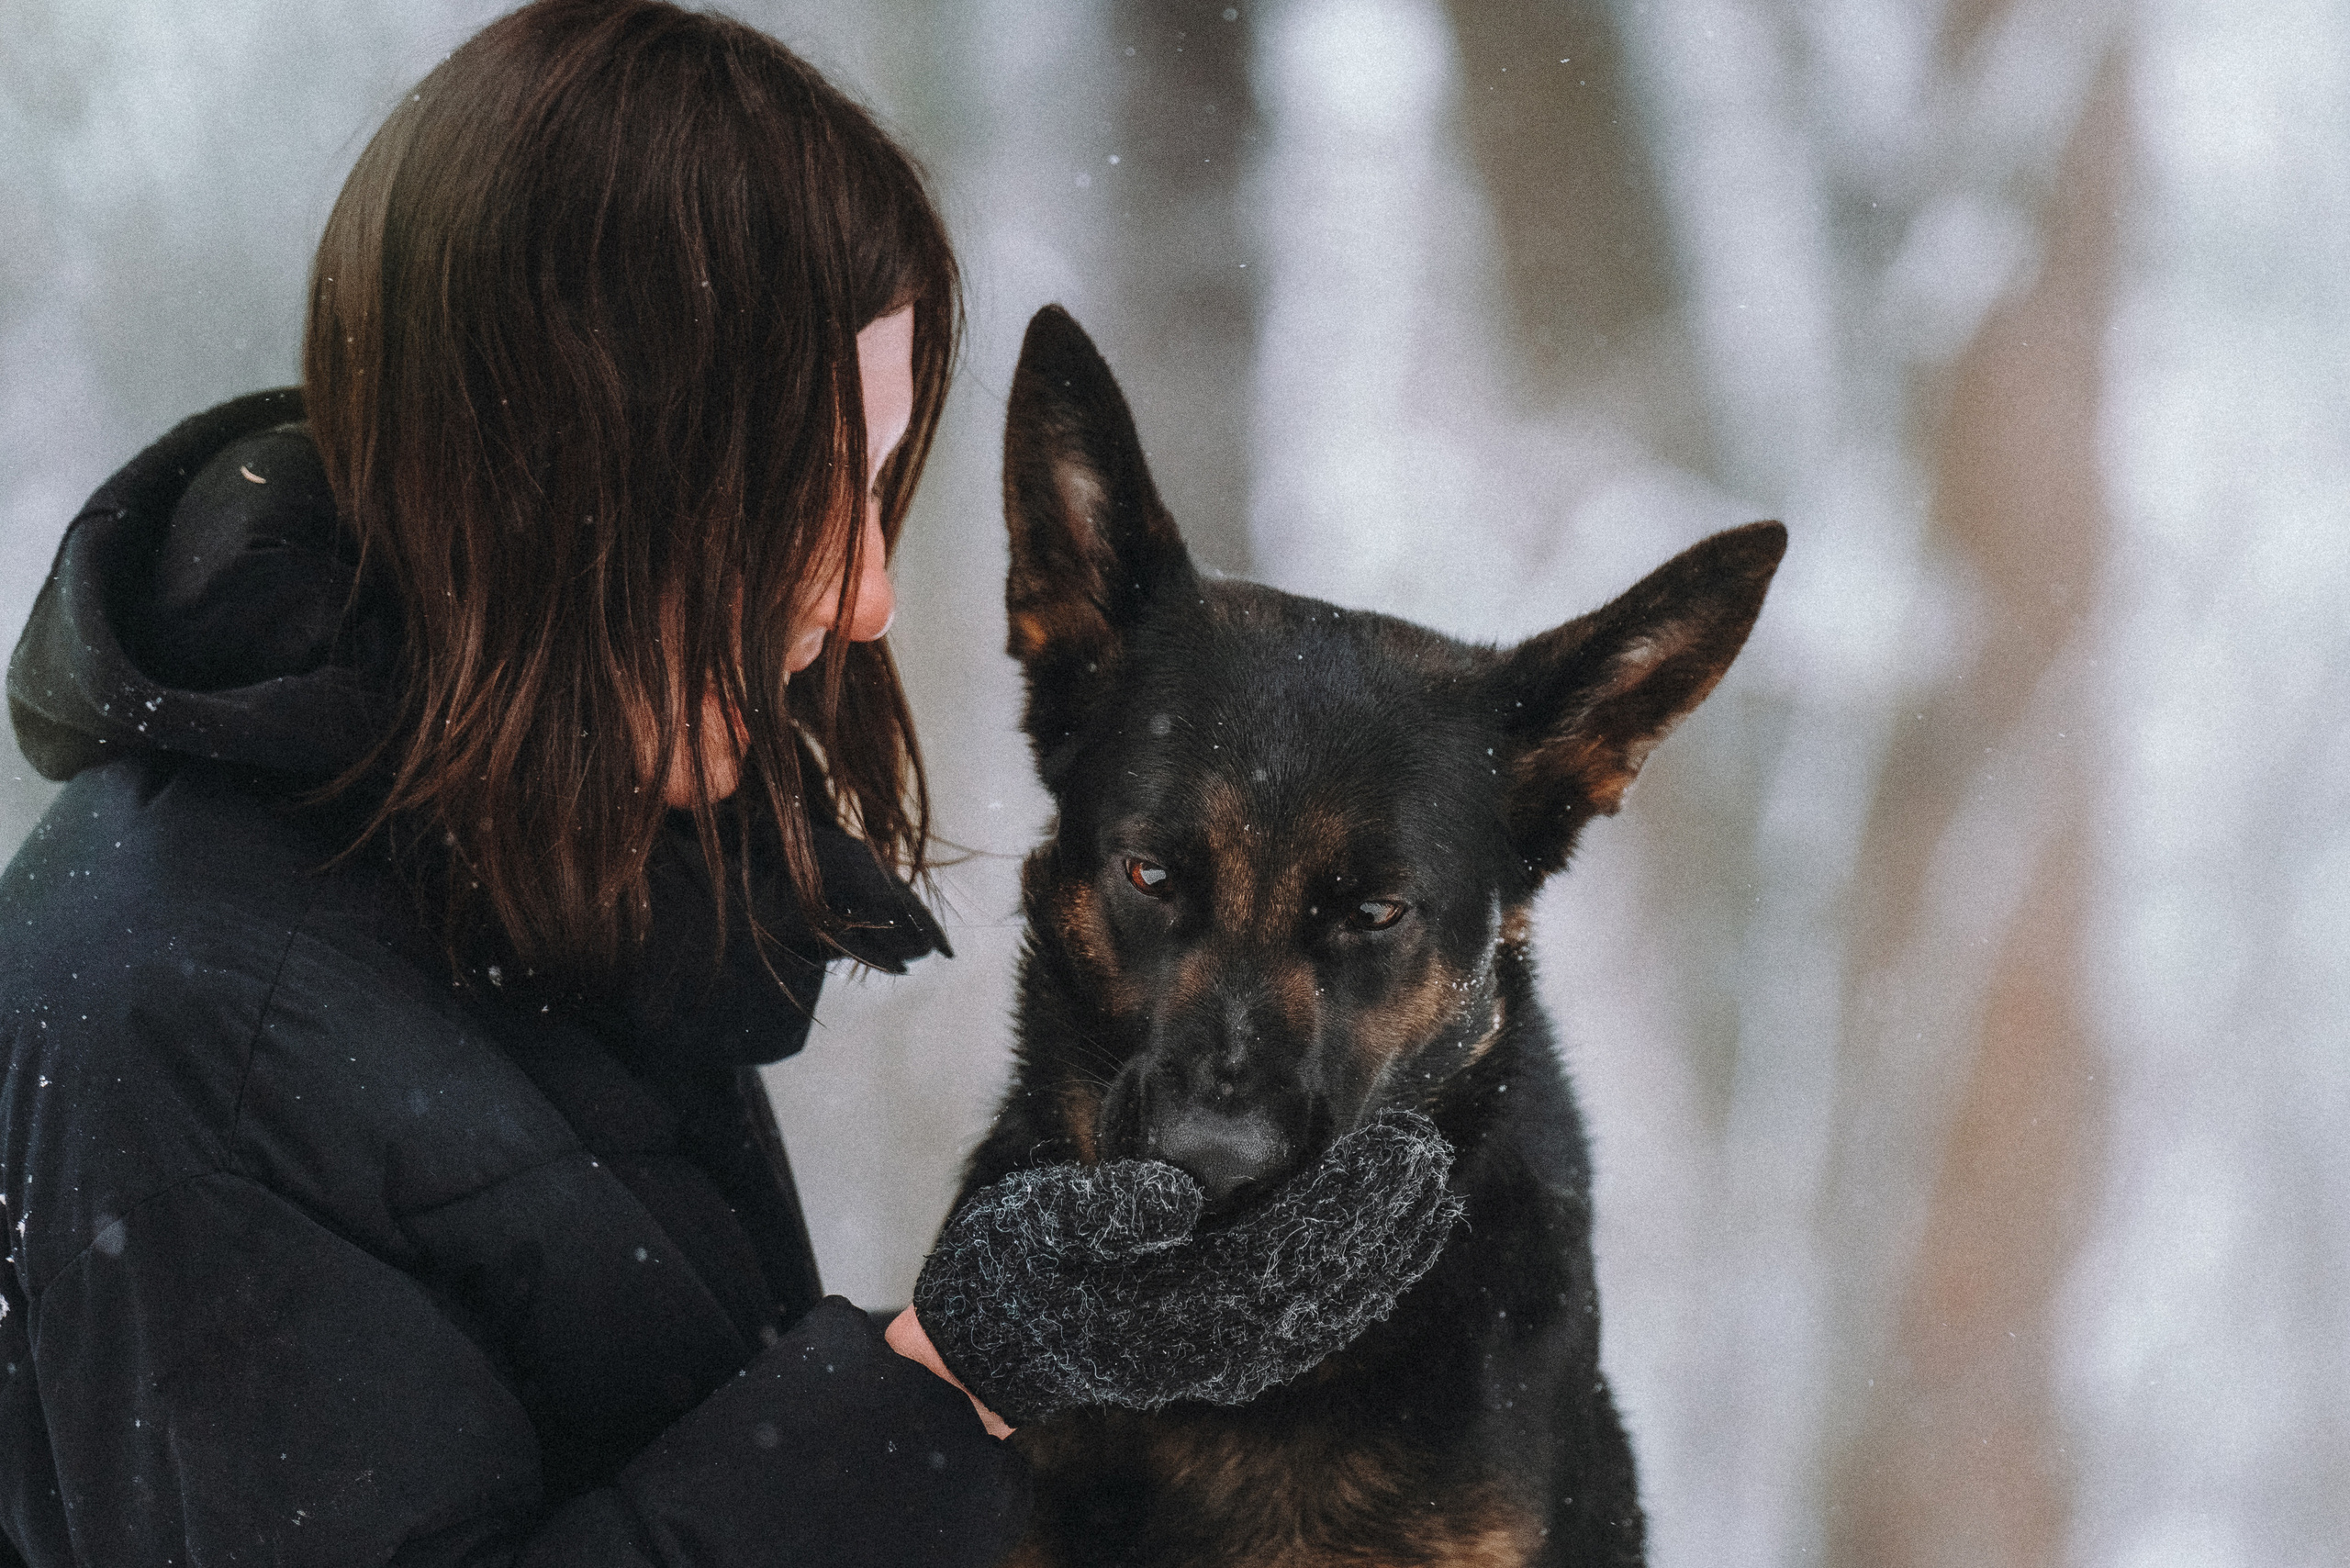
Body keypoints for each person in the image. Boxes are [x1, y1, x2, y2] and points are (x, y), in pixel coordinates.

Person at [0, 3, 1022, 1562]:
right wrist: (913, 1406)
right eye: (793, 492)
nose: (864, 592)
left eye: (876, 485)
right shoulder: (193, 1022)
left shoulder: (529, 867)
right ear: (566, 477)